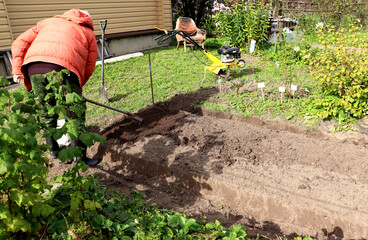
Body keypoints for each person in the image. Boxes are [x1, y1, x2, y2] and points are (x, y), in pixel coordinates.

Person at [11, 9, 101, 166]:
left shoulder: (48, 22)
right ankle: (81, 158)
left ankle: (54, 150)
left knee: (46, 110)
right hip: (62, 68)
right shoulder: (87, 32)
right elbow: (89, 65)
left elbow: (19, 42)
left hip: (34, 68)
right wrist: (76, 89)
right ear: (87, 19)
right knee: (75, 113)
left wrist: (17, 69)